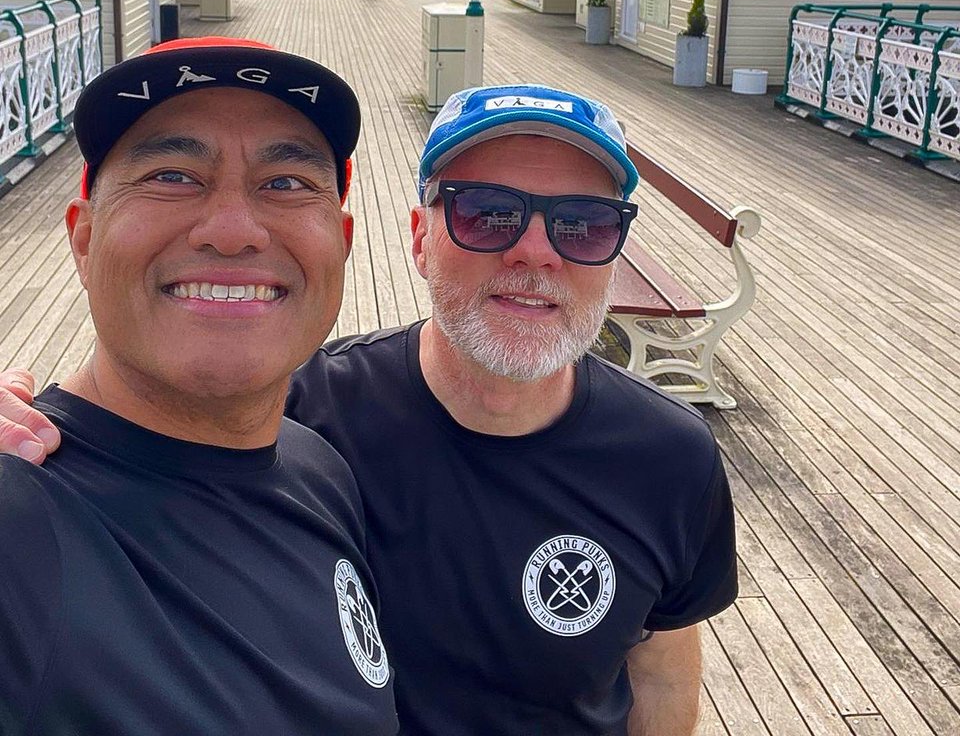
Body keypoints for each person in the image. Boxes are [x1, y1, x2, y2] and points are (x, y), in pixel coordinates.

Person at [1, 84, 736, 736]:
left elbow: (663, 662)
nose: (536, 254)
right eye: (488, 214)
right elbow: (151, 426)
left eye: (584, 224)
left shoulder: (671, 455)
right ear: (419, 240)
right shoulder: (298, 414)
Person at [0, 37, 396, 735]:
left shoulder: (317, 471)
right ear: (84, 240)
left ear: (341, 242)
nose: (234, 231)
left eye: (285, 183)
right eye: (173, 175)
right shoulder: (22, 522)